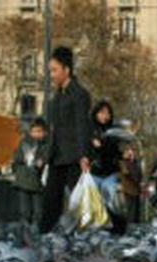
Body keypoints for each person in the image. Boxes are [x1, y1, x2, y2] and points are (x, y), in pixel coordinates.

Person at [39, 46, 92, 233]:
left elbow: (82, 126)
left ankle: (114, 228)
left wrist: (84, 156)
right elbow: (53, 129)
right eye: (50, 71)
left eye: (54, 70)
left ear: (66, 70)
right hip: (56, 156)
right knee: (51, 199)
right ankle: (44, 235)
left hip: (73, 157)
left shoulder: (79, 94)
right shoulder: (56, 97)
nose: (51, 75)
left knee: (82, 200)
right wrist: (45, 156)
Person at [11, 117, 49, 230]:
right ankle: (25, 228)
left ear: (44, 132)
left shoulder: (46, 144)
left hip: (37, 181)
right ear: (30, 132)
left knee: (38, 209)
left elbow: (47, 157)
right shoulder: (24, 143)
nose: (37, 134)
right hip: (24, 179)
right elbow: (17, 158)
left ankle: (36, 228)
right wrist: (24, 161)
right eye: (35, 131)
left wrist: (43, 161)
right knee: (25, 209)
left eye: (40, 131)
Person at [88, 100, 123, 214]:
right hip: (94, 171)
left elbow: (115, 152)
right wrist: (92, 143)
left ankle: (112, 225)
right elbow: (83, 149)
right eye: (102, 112)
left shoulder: (113, 131)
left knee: (110, 201)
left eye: (108, 113)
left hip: (110, 173)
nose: (105, 116)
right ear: (96, 114)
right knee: (94, 203)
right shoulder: (89, 130)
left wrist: (124, 155)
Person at [120, 144, 144, 225]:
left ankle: (136, 227)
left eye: (133, 151)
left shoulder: (136, 162)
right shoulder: (124, 162)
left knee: (137, 211)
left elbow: (140, 174)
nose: (131, 153)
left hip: (136, 189)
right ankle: (130, 227)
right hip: (129, 190)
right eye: (129, 151)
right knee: (131, 211)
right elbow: (127, 174)